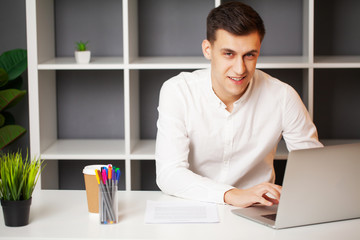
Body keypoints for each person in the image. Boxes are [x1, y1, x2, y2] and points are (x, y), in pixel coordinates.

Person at [155, 1, 323, 208]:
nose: (240, 69)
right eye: (229, 54)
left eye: (249, 55)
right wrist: (231, 194)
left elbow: (315, 169)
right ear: (208, 50)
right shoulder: (178, 91)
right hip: (196, 205)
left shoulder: (283, 96)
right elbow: (169, 174)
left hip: (259, 209)